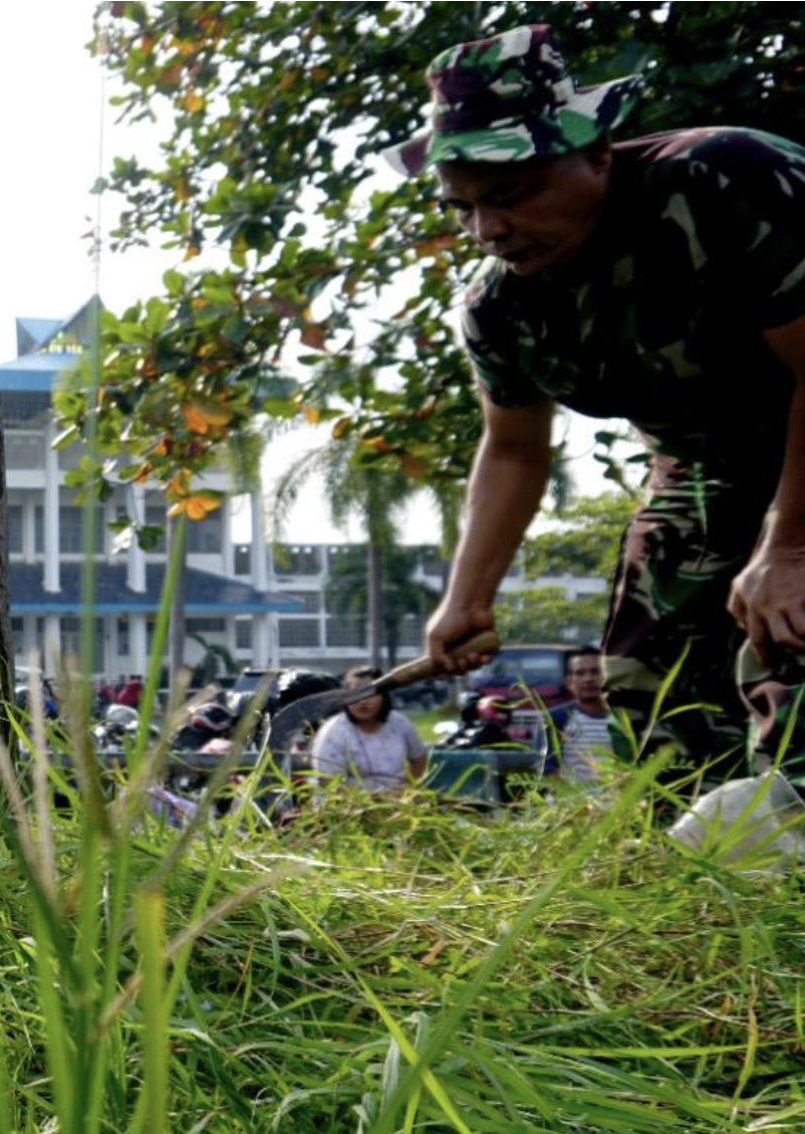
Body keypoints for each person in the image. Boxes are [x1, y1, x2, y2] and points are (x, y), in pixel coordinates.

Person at [394, 26, 805, 787]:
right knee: (652, 685)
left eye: (510, 194)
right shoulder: (500, 307)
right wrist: (467, 600)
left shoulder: (726, 180)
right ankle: (703, 879)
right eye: (464, 208)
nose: (489, 231)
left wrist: (789, 550)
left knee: (789, 637)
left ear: (597, 153)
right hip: (708, 463)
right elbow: (514, 448)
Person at [310, 666, 428, 794]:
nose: (363, 701)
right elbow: (327, 781)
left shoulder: (399, 722)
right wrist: (370, 803)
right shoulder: (333, 731)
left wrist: (406, 788)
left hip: (396, 803)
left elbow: (419, 758)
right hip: (348, 806)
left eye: (370, 694)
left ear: (384, 696)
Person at [544, 645, 614, 784]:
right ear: (569, 681)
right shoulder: (557, 718)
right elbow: (549, 771)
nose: (588, 679)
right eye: (580, 673)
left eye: (595, 672)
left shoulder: (622, 719)